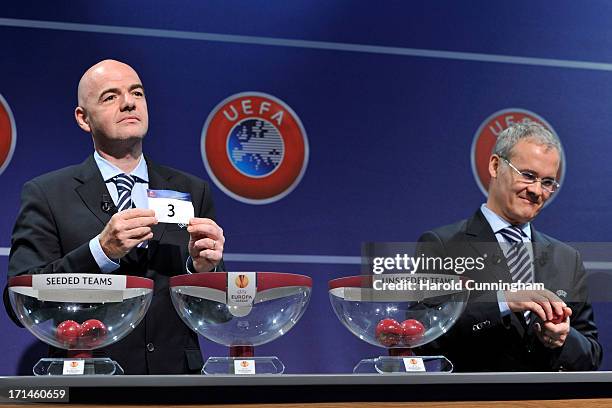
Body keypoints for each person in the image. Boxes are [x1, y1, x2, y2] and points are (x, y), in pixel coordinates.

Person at [4, 59, 226, 374]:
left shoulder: (192, 190)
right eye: (110, 97)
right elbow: (19, 301)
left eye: (137, 93)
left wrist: (204, 269)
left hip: (177, 382)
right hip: (89, 380)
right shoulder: (48, 194)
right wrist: (100, 252)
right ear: (83, 118)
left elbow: (218, 315)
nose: (128, 103)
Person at [417, 122, 602, 371]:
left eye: (548, 182)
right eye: (528, 175)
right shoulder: (443, 245)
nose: (537, 190)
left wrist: (562, 338)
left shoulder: (567, 259)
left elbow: (591, 356)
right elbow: (423, 337)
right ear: (495, 165)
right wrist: (502, 301)